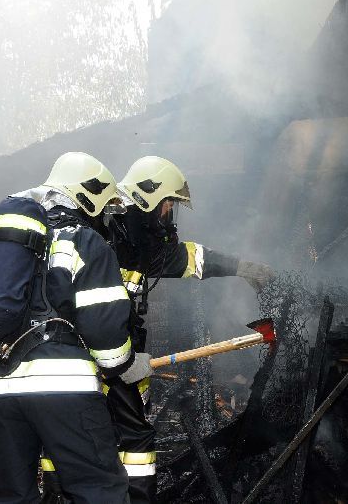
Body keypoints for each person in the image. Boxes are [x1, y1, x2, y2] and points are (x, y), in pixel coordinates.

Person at [41, 155, 275, 503]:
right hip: (93, 357)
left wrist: (242, 267)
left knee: (90, 436)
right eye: (168, 203)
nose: (169, 213)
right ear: (148, 197)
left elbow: (190, 259)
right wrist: (113, 360)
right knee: (124, 437)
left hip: (112, 356)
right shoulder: (107, 233)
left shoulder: (138, 239)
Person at [0, 152, 153, 504]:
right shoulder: (85, 242)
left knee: (9, 495)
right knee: (98, 489)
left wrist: (5, 356)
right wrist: (127, 365)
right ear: (88, 196)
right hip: (65, 390)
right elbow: (104, 331)